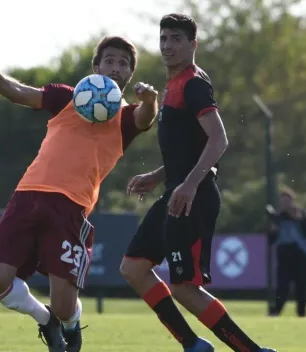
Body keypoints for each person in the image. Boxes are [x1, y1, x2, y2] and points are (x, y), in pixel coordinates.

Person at [0, 36, 158, 352]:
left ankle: (69, 325)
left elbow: (146, 118)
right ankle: (45, 320)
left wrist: (151, 99)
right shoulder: (66, 97)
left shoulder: (126, 117)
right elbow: (18, 92)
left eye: (123, 63)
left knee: (65, 304)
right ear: (96, 67)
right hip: (28, 195)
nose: (115, 67)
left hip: (71, 207)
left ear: (129, 76)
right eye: (109, 60)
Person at [119, 14, 277, 352]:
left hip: (194, 196)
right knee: (133, 267)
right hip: (177, 192)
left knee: (184, 287)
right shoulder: (173, 84)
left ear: (193, 44)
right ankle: (193, 344)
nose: (167, 45)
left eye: (176, 38)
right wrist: (158, 176)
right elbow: (188, 147)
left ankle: (253, 351)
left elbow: (218, 140)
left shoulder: (193, 83)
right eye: (163, 38)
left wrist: (188, 185)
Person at [266, 188, 306, 317]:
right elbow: (271, 240)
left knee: (301, 287)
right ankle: (276, 311)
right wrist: (274, 226)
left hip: (300, 255)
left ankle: (302, 313)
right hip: (284, 255)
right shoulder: (279, 218)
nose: (285, 204)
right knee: (282, 286)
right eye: (283, 201)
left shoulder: (301, 214)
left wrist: (299, 219)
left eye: (287, 201)